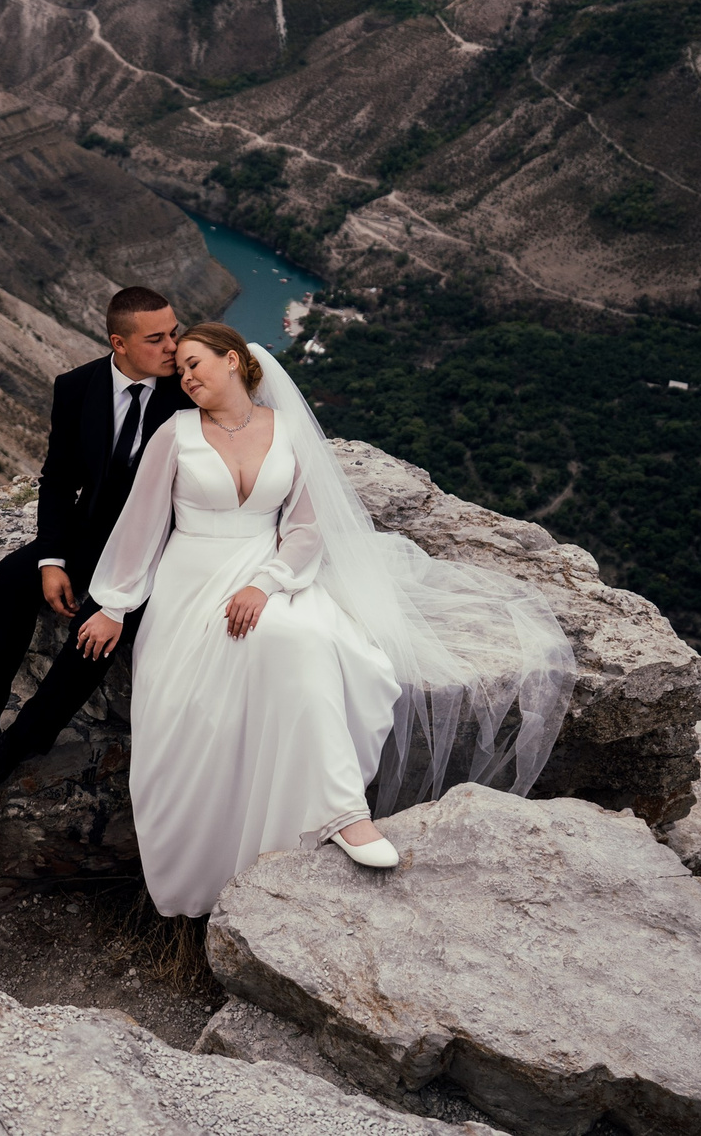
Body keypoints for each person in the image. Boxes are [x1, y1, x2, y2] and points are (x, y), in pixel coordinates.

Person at [80, 324, 574, 917]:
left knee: (306, 640)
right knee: (204, 708)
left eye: (194, 364)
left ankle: (342, 816)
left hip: (270, 573)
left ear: (232, 359)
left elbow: (307, 528)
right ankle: (211, 870)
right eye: (179, 371)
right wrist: (113, 604)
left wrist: (266, 583)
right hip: (191, 583)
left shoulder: (286, 431)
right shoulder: (174, 435)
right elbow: (141, 525)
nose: (184, 378)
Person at [0, 286, 196, 792]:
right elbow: (59, 478)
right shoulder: (77, 386)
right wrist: (53, 559)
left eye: (174, 332)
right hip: (90, 532)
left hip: (159, 544)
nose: (174, 346)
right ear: (119, 343)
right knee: (17, 573)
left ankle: (24, 739)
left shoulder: (190, 389)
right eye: (157, 338)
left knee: (99, 623)